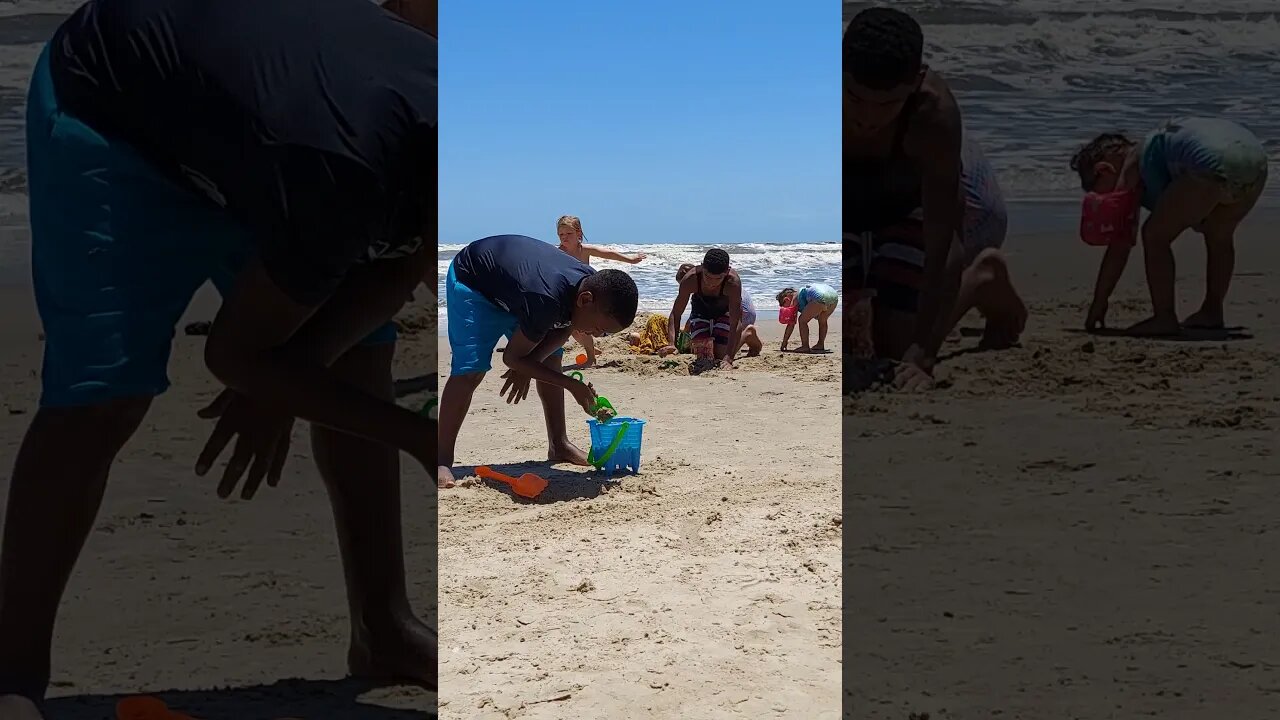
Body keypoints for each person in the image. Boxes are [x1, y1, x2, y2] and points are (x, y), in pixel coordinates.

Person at [0, 0, 438, 710]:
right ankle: (13, 675)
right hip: (113, 109)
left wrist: (288, 373)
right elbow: (235, 355)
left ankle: (383, 627)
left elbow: (399, 263)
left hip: (261, 130)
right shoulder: (346, 170)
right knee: (104, 391)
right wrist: (421, 439)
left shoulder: (441, 142)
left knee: (360, 357)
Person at [843, 7, 1026, 390]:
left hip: (918, 197)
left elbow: (944, 242)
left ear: (916, 82)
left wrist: (923, 353)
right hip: (852, 200)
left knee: (896, 350)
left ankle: (983, 278)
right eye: (854, 98)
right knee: (846, 343)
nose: (868, 119)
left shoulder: (933, 116)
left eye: (887, 105)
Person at [436, 234, 639, 488]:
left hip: (517, 292)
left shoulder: (587, 286)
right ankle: (441, 459)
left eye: (606, 334)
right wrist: (569, 384)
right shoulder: (546, 299)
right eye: (599, 328)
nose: (598, 336)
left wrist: (529, 363)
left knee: (552, 358)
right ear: (586, 300)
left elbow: (565, 325)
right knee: (471, 370)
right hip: (474, 281)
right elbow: (511, 357)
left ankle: (559, 444)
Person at [1070, 118, 1269, 336]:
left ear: (1104, 169)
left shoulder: (1132, 163)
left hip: (1206, 163)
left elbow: (1120, 244)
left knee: (1155, 235)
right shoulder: (1156, 147)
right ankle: (1212, 310)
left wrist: (1100, 301)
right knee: (1219, 235)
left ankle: (1164, 317)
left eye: (1097, 189)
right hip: (1254, 161)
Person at [555, 215, 647, 368]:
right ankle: (591, 349)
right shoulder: (558, 253)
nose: (564, 238)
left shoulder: (584, 250)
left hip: (588, 296)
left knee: (583, 326)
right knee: (573, 329)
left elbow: (609, 254)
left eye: (568, 234)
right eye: (561, 235)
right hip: (570, 293)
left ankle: (591, 358)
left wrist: (630, 259)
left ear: (579, 233)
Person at [660, 250, 744, 368]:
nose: (711, 283)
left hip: (724, 312)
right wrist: (672, 344)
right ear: (702, 267)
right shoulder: (691, 279)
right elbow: (676, 313)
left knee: (720, 355)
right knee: (704, 355)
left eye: (718, 278)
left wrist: (729, 357)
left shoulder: (733, 283)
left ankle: (748, 335)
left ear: (726, 272)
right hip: (700, 312)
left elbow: (736, 321)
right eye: (707, 277)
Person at [676, 263, 762, 358]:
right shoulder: (714, 281)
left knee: (720, 354)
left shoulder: (710, 285)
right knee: (709, 347)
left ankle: (747, 333)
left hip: (743, 315)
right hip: (735, 311)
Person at [778, 285, 839, 353]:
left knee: (802, 320)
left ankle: (805, 346)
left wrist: (785, 341)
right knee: (822, 320)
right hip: (833, 297)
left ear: (786, 299)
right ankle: (820, 344)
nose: (786, 308)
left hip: (818, 297)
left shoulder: (794, 299)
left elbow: (791, 324)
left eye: (784, 305)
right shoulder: (803, 292)